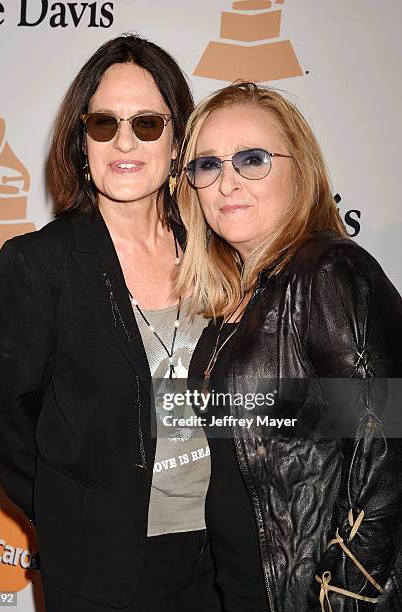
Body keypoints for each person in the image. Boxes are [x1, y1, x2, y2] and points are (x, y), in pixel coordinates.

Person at [0, 35, 221, 612]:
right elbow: (2, 414)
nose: (125, 142)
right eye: (104, 124)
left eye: (148, 124)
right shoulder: (40, 262)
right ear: (81, 141)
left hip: (223, 552)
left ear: (179, 138)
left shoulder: (218, 250)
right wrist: (65, 509)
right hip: (100, 560)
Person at [175, 81, 402, 611]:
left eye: (251, 159)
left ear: (299, 167)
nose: (226, 182)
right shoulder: (243, 296)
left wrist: (343, 593)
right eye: (207, 165)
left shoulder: (328, 270)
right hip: (244, 592)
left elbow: (389, 449)